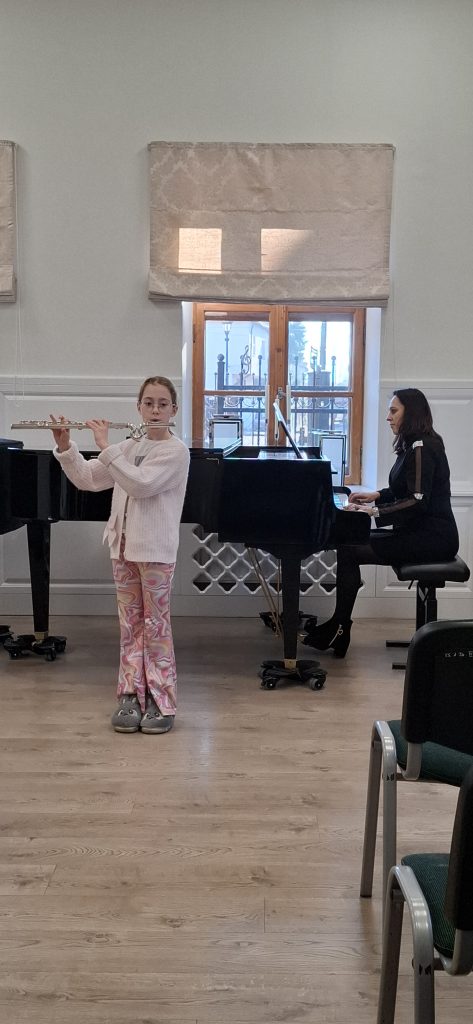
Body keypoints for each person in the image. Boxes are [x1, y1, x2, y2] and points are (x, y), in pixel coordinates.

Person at [50, 376, 190, 734]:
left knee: (156, 626)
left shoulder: (175, 451)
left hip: (156, 552)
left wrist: (104, 446)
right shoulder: (129, 446)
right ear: (138, 407)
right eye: (148, 403)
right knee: (130, 626)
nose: (155, 410)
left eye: (162, 404)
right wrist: (67, 448)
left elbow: (141, 485)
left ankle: (161, 699)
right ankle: (129, 693)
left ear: (173, 410)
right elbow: (88, 479)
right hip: (122, 548)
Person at [302, 387, 459, 658]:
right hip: (419, 533)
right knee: (349, 544)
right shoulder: (414, 445)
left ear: (411, 413)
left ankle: (340, 627)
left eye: (394, 411)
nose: (388, 417)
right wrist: (376, 496)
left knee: (351, 549)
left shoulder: (422, 447)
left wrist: (372, 512)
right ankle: (339, 625)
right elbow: (404, 490)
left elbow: (417, 500)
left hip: (433, 538)